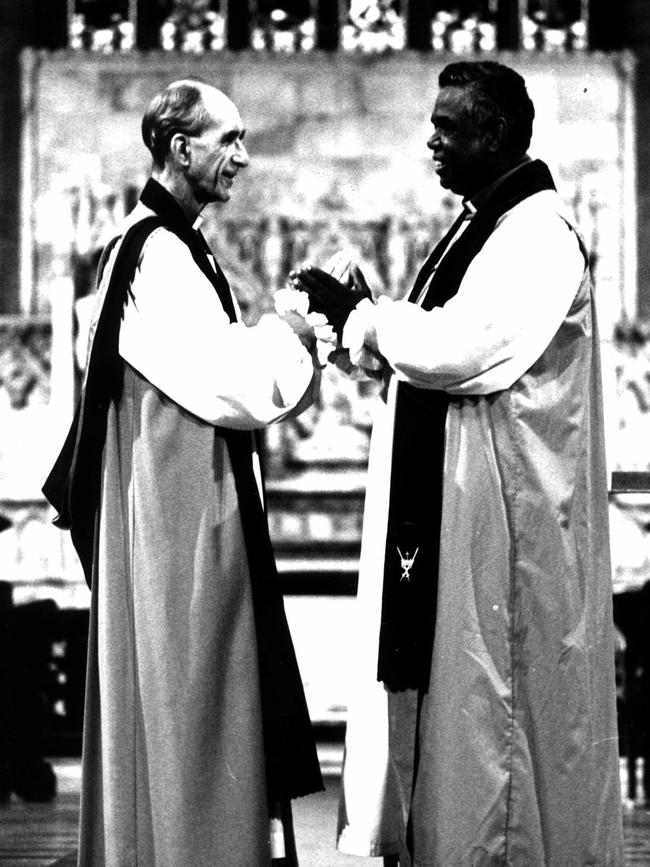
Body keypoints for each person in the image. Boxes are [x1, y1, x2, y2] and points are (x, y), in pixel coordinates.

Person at [295, 60, 624, 866]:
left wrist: (369, 319)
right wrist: (365, 328)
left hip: (508, 528)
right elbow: (435, 353)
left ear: (499, 132)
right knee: (455, 705)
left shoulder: (537, 235)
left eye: (449, 126)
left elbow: (463, 349)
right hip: (462, 514)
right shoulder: (484, 227)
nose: (432, 140)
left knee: (492, 711)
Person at [43, 79, 324, 866]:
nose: (243, 155)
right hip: (182, 518)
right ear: (180, 149)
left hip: (172, 506)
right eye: (228, 139)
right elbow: (233, 384)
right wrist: (299, 327)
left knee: (186, 707)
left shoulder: (157, 245)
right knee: (197, 705)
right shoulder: (157, 254)